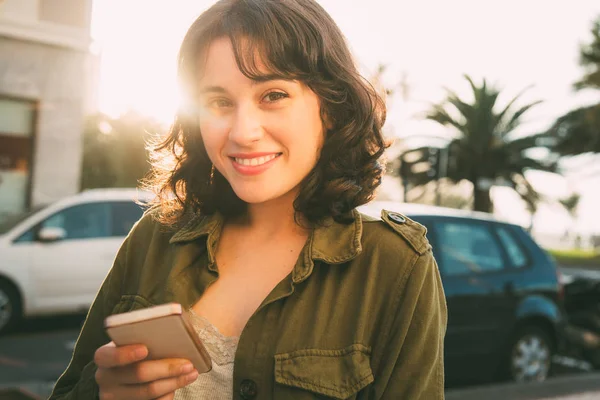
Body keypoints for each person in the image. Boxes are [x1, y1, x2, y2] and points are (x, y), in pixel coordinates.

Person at [50, 0, 447, 399]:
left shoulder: (396, 266)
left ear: (330, 107)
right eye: (219, 102)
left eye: (273, 95)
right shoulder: (155, 237)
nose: (242, 132)